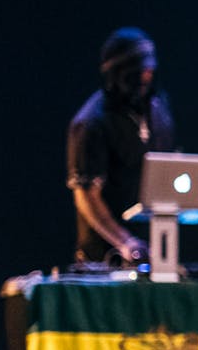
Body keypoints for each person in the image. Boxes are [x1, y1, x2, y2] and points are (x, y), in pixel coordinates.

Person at [67, 27, 176, 266]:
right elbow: (86, 195)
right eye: (137, 75)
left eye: (149, 73)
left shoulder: (157, 109)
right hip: (104, 259)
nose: (145, 80)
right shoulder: (91, 123)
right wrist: (126, 242)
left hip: (154, 252)